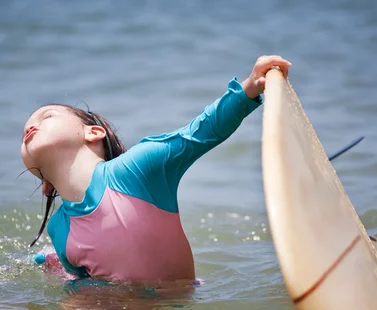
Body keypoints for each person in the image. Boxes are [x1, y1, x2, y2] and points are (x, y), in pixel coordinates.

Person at [21, 55, 292, 282]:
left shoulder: (138, 170)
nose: (31, 125)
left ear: (93, 132)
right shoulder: (59, 228)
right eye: (25, 129)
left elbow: (200, 133)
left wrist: (248, 90)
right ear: (46, 185)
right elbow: (88, 282)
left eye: (47, 116)